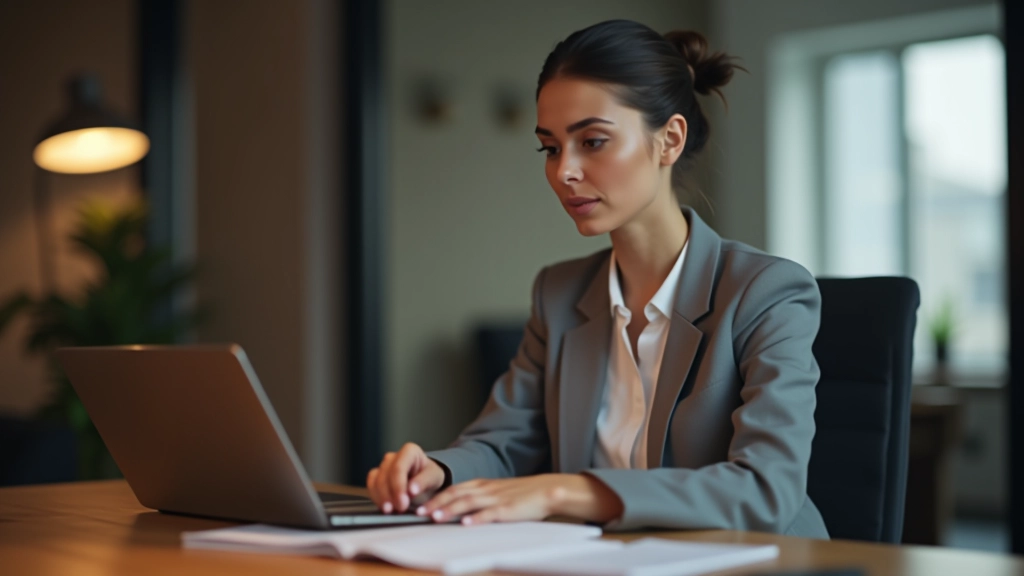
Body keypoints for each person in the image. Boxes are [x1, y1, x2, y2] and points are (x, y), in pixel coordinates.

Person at [366, 19, 830, 538]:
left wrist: (564, 490)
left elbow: (766, 488)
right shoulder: (559, 294)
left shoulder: (765, 292)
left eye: (592, 141)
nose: (564, 170)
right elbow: (503, 442)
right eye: (550, 147)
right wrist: (440, 470)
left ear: (669, 140)